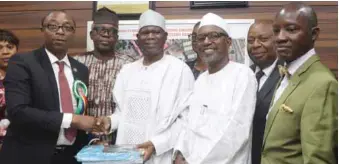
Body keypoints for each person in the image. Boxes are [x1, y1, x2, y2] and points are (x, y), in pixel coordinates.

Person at [138, 12, 257, 164]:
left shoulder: (243, 75)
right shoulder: (201, 80)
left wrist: (196, 161)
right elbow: (188, 124)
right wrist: (179, 153)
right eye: (201, 38)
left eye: (214, 36)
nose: (207, 41)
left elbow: (236, 132)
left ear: (228, 42)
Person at [94, 10, 195, 164]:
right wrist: (109, 121)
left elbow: (186, 120)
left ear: (165, 37)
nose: (150, 37)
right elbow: (122, 112)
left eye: (156, 32)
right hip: (125, 153)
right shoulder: (127, 70)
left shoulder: (180, 70)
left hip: (160, 155)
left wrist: (156, 144)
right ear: (138, 38)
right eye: (145, 32)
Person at [0, 11, 101, 164]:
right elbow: (18, 111)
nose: (60, 31)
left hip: (70, 157)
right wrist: (72, 120)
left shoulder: (80, 69)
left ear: (73, 33)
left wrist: (93, 137)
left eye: (67, 27)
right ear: (43, 30)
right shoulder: (22, 62)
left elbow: (80, 110)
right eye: (53, 26)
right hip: (29, 156)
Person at [261, 3, 337, 164]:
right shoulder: (287, 73)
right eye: (276, 31)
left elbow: (318, 159)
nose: (280, 38)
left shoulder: (322, 84)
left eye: (291, 29)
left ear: (314, 34)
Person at [74, 7, 134, 144]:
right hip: (82, 140)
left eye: (112, 32)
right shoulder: (77, 63)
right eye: (101, 30)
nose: (106, 35)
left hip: (119, 140)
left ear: (117, 38)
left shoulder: (129, 65)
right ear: (91, 34)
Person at [246, 20, 283, 164]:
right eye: (251, 40)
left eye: (263, 39)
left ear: (276, 41)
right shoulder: (243, 75)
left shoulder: (287, 75)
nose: (255, 45)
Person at [0, 29, 20, 147]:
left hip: (21, 142)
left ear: (16, 50)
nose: (5, 52)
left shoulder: (27, 77)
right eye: (0, 48)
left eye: (9, 47)